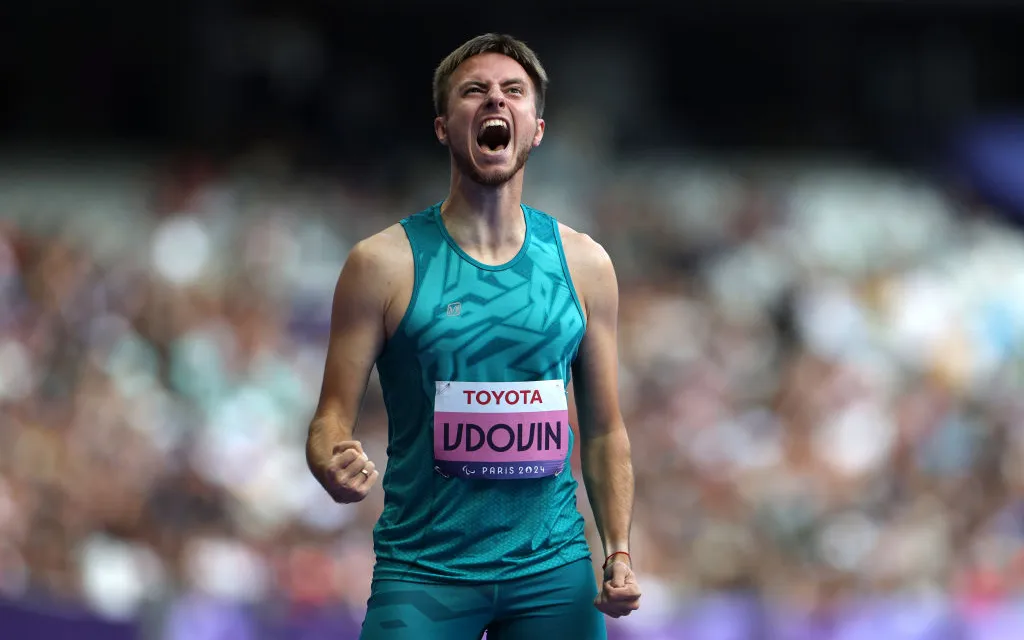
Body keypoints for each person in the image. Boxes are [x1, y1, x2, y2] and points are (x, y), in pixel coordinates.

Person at [305, 33, 641, 640]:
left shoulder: (585, 264)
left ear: (537, 129)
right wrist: (331, 459)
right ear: (442, 127)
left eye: (513, 91)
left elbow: (604, 430)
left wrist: (617, 550)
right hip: (424, 570)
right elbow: (330, 420)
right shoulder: (382, 264)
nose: (495, 100)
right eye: (474, 91)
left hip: (551, 569)